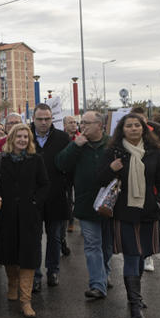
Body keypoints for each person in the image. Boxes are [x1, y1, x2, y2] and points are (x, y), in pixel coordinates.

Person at [98, 113, 160, 318]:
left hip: (148, 212)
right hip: (124, 213)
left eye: (137, 125)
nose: (133, 129)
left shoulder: (155, 153)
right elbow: (99, 180)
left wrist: (159, 203)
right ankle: (135, 304)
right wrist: (111, 169)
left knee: (142, 255)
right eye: (129, 126)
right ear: (122, 129)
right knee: (131, 256)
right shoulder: (113, 152)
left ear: (144, 129)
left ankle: (134, 295)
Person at [0, 124, 49, 318]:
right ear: (11, 138)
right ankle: (12, 283)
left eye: (25, 137)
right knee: (9, 254)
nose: (22, 140)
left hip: (29, 215)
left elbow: (45, 184)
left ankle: (26, 300)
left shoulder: (36, 159)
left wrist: (35, 201)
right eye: (19, 136)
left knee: (28, 256)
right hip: (6, 214)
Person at [56, 111, 112, 300]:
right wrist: (75, 147)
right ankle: (97, 284)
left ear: (100, 125)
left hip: (110, 204)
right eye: (82, 123)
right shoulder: (78, 144)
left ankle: (104, 273)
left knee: (107, 246)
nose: (82, 126)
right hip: (87, 204)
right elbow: (61, 164)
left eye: (87, 123)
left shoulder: (112, 144)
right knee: (92, 245)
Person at [30, 103, 71, 291]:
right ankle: (35, 275)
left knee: (55, 237)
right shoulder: (25, 136)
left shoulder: (62, 138)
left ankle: (53, 270)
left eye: (47, 119)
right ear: (33, 119)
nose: (44, 122)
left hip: (56, 196)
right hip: (33, 198)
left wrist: (65, 187)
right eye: (40, 119)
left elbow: (70, 167)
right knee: (34, 238)